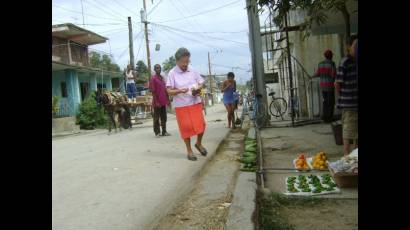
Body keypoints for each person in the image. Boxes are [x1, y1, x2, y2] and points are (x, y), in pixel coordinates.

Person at [166, 48, 208, 161]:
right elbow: (169, 90)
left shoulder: (192, 70)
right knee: (186, 128)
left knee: (202, 125)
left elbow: (201, 83)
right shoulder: (172, 73)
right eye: (183, 62)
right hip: (181, 105)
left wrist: (197, 89)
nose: (186, 64)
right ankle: (189, 151)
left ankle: (198, 143)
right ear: (177, 61)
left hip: (195, 102)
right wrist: (179, 91)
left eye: (187, 61)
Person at [335, 35, 358, 156]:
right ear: (349, 47)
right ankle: (346, 155)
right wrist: (343, 98)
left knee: (356, 132)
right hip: (349, 104)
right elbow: (337, 83)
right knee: (349, 130)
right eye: (355, 45)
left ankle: (355, 156)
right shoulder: (345, 62)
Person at [311, 49, 337, 123]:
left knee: (325, 101)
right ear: (331, 56)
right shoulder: (332, 64)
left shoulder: (320, 64)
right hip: (330, 86)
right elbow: (333, 75)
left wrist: (312, 76)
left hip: (323, 86)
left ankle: (325, 117)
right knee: (331, 102)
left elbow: (318, 73)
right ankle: (329, 118)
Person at [149, 64, 170, 137]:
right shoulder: (153, 79)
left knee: (164, 117)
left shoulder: (162, 78)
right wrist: (156, 101)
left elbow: (165, 89)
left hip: (163, 101)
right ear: (154, 70)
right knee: (156, 118)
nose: (159, 69)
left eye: (160, 68)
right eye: (157, 68)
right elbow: (153, 92)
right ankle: (157, 132)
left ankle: (164, 131)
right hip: (157, 102)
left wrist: (168, 99)